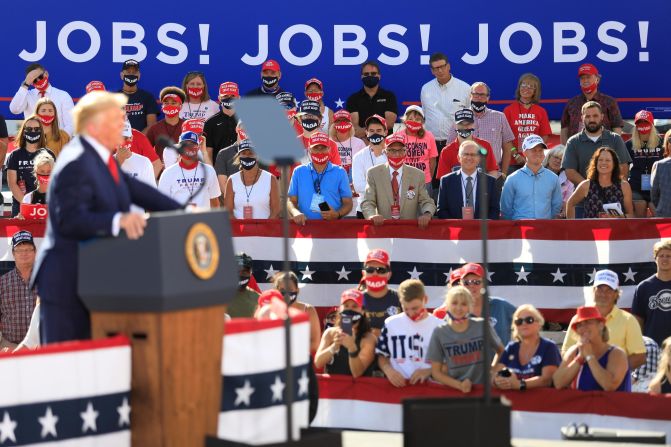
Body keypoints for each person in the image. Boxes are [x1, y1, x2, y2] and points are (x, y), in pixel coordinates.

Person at [32, 91, 182, 343]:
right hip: (67, 281)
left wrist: (183, 211)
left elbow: (136, 189)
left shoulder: (99, 159)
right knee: (64, 364)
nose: (124, 127)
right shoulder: (76, 161)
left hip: (91, 278)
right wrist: (117, 221)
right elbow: (70, 220)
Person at [562, 269, 646, 369]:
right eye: (600, 289)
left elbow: (639, 357)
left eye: (609, 290)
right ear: (593, 291)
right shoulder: (578, 318)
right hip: (582, 378)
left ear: (616, 294)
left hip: (614, 381)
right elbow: (566, 352)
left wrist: (612, 372)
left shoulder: (628, 320)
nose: (603, 294)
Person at [427, 286, 504, 392]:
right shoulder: (439, 332)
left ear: (470, 307)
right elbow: (436, 373)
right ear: (447, 305)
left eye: (463, 304)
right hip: (454, 392)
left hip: (484, 391)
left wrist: (493, 371)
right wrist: (459, 385)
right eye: (454, 303)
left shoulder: (482, 325)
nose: (459, 308)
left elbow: (502, 351)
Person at [376, 279, 442, 387]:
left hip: (429, 390)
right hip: (398, 388)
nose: (411, 313)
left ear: (425, 299)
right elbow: (382, 355)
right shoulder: (390, 323)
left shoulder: (440, 326)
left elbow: (449, 362)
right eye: (406, 309)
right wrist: (388, 370)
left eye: (415, 308)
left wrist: (429, 371)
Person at [361, 133, 436, 228]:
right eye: (392, 150)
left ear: (406, 152)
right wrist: (372, 215)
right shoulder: (373, 173)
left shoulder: (418, 175)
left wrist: (427, 214)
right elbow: (368, 201)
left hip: (409, 230)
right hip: (383, 229)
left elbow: (426, 201)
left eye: (401, 150)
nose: (397, 154)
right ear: (385, 152)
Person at [554, 306, 631, 392]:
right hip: (580, 405)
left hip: (611, 405)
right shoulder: (574, 351)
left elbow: (610, 385)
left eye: (588, 322)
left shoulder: (617, 354)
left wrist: (590, 356)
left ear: (601, 325)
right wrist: (580, 358)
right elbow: (558, 383)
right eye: (579, 325)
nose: (583, 328)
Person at [446, 82, 515, 177]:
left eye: (482, 95)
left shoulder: (499, 117)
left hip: (492, 173)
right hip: (465, 173)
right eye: (475, 94)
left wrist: (503, 173)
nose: (479, 97)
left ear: (488, 97)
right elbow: (450, 146)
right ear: (470, 96)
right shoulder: (459, 117)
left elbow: (507, 148)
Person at [420, 52, 470, 179]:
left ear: (449, 66)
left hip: (456, 144)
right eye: (436, 68)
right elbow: (425, 115)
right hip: (432, 144)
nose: (440, 70)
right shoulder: (426, 89)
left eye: (442, 66)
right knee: (433, 182)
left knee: (456, 180)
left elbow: (470, 119)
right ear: (432, 71)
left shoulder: (464, 88)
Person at [287, 132, 352, 224]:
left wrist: (337, 214)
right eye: (316, 148)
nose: (320, 151)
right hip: (306, 226)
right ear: (309, 150)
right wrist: (295, 213)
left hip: (333, 227)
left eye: (323, 148)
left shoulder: (340, 172)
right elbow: (291, 200)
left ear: (329, 149)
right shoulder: (299, 171)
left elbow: (348, 202)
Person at [562, 101, 631, 187]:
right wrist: (590, 188)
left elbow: (624, 167)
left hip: (611, 195)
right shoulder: (573, 142)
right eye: (587, 116)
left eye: (595, 116)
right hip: (584, 196)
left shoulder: (615, 139)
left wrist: (613, 189)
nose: (591, 120)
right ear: (582, 118)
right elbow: (570, 171)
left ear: (602, 116)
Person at [493, 305, 561, 390]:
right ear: (515, 327)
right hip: (513, 401)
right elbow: (495, 375)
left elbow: (547, 379)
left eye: (529, 320)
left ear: (539, 324)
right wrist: (498, 382)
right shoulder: (511, 347)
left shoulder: (549, 347)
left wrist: (520, 384)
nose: (524, 324)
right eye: (519, 321)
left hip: (541, 401)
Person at [314, 289, 377, 377]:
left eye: (354, 306)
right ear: (341, 309)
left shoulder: (369, 338)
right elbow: (318, 363)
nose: (349, 310)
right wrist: (334, 346)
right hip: (333, 388)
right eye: (346, 306)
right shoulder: (330, 333)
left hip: (358, 389)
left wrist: (352, 348)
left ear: (362, 311)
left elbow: (357, 373)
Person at [500, 134, 562, 220]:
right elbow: (505, 210)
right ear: (524, 153)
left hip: (544, 228)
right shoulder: (512, 179)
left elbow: (556, 206)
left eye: (540, 150)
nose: (538, 153)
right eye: (534, 150)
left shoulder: (553, 178)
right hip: (520, 229)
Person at [560, 63, 624, 145]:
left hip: (603, 152)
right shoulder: (571, 103)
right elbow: (564, 129)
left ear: (597, 79)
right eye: (582, 78)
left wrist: (613, 149)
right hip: (577, 152)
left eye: (588, 77)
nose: (585, 80)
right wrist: (565, 150)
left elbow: (617, 127)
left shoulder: (609, 102)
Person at [436, 140, 499, 219]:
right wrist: (458, 225)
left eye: (473, 155)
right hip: (456, 229)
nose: (469, 158)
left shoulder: (490, 182)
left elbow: (495, 210)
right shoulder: (446, 181)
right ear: (459, 158)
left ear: (479, 158)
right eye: (465, 154)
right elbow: (441, 210)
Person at [503, 73, 552, 174]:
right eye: (523, 85)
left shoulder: (541, 111)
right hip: (512, 162)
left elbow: (544, 136)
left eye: (531, 87)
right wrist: (516, 155)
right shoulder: (508, 110)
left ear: (535, 91)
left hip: (533, 162)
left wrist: (533, 154)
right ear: (519, 87)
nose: (526, 88)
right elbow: (506, 139)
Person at [6, 117, 56, 216]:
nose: (33, 131)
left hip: (45, 205)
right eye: (29, 129)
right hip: (21, 205)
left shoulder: (49, 154)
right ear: (23, 131)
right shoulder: (15, 155)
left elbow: (55, 181)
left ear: (41, 132)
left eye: (36, 129)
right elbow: (12, 184)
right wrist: (27, 205)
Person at [566, 147, 634, 219]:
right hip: (590, 229)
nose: (603, 163)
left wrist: (621, 217)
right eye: (600, 160)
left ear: (614, 164)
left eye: (607, 160)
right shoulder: (586, 185)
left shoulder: (624, 186)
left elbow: (631, 215)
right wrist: (572, 227)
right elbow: (570, 203)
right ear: (595, 163)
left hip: (616, 229)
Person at [158, 131, 221, 208]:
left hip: (203, 219)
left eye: (192, 144)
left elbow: (214, 202)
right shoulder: (168, 173)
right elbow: (162, 203)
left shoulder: (209, 170)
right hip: (179, 218)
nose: (189, 147)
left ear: (198, 147)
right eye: (185, 144)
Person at [458, 262, 516, 345]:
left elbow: (526, 324)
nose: (471, 286)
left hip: (501, 357)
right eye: (466, 283)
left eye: (476, 282)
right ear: (460, 285)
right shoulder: (455, 312)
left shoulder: (501, 306)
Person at [9, 63, 74, 135]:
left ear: (46, 74)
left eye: (40, 76)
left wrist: (60, 140)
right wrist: (25, 84)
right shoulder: (27, 96)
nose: (38, 80)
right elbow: (14, 109)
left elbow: (71, 124)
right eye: (34, 80)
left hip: (57, 142)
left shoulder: (63, 96)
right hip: (33, 142)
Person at [0, 231, 38, 350]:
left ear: (35, 252)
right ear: (13, 254)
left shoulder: (46, 280)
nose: (24, 253)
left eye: (28, 249)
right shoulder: (2, 282)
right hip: (9, 346)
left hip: (39, 347)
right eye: (20, 250)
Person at [435, 109, 499, 179]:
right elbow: (443, 179)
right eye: (461, 124)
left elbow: (492, 171)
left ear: (473, 125)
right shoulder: (446, 151)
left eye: (468, 124)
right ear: (455, 126)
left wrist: (488, 188)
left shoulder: (485, 146)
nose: (465, 127)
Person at [224, 139, 280, 219]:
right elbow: (228, 212)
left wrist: (264, 229)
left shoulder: (270, 179)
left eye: (251, 153)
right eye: (243, 153)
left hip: (264, 230)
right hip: (239, 230)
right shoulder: (232, 180)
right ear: (239, 156)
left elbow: (275, 211)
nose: (247, 156)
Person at [632, 240, 671, 346]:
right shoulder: (644, 287)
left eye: (668, 256)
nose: (665, 259)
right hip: (652, 347)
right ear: (655, 259)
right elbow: (638, 321)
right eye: (661, 255)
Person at [346, 60, 398, 139]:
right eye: (366, 74)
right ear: (361, 77)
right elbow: (354, 129)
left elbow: (390, 124)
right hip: (362, 145)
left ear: (379, 76)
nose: (370, 76)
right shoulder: (353, 99)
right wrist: (377, 131)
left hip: (386, 146)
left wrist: (369, 132)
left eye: (373, 74)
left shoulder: (389, 96)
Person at [626, 110, 664, 217]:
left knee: (659, 214)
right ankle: (638, 234)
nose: (643, 125)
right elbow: (624, 169)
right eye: (640, 122)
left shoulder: (661, 143)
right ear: (635, 125)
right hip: (636, 187)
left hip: (657, 188)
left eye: (646, 122)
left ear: (651, 124)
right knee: (640, 205)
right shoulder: (629, 144)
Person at [273, 271, 321, 353]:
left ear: (297, 290)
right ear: (276, 291)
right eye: (282, 290)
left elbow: (315, 343)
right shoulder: (271, 311)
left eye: (290, 289)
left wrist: (293, 352)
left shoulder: (308, 310)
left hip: (302, 361)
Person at [351, 115, 388, 217]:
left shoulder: (393, 154)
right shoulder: (359, 156)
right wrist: (383, 189)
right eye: (371, 131)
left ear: (386, 132)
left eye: (379, 130)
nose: (375, 133)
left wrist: (379, 155)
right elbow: (358, 186)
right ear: (366, 133)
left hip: (389, 208)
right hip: (365, 209)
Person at [398, 105, 438, 194]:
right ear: (405, 120)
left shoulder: (429, 136)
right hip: (404, 182)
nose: (413, 122)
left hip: (424, 182)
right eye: (410, 119)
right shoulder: (398, 137)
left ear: (422, 121)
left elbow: (433, 161)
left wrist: (428, 179)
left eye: (417, 119)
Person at [361, 249, 401, 336]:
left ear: (389, 274)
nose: (375, 273)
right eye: (370, 270)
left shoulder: (401, 298)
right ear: (363, 273)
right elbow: (346, 332)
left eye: (381, 270)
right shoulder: (354, 299)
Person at [146, 86, 186, 161]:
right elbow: (146, 152)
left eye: (173, 103)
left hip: (184, 170)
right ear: (162, 106)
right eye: (166, 103)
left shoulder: (187, 127)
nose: (169, 105)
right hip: (161, 171)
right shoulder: (154, 128)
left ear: (180, 106)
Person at [118, 59, 159, 133]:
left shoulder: (147, 97)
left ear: (139, 75)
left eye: (134, 72)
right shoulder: (113, 98)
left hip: (141, 142)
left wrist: (137, 140)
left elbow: (152, 125)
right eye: (128, 72)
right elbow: (108, 124)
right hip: (118, 142)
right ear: (121, 75)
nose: (131, 74)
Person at [204, 82, 239, 164]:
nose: (229, 98)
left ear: (238, 98)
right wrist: (211, 172)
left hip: (242, 170)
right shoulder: (210, 122)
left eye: (233, 96)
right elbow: (208, 152)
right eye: (225, 96)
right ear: (219, 98)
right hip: (219, 171)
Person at [298, 100, 341, 165]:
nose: (310, 118)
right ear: (300, 119)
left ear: (320, 119)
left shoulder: (331, 144)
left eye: (313, 115)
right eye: (306, 115)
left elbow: (337, 173)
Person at [329, 109, 366, 180]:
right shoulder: (328, 142)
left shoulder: (359, 143)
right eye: (338, 121)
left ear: (350, 123)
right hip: (333, 176)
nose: (342, 123)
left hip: (354, 177)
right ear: (333, 124)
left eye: (345, 120)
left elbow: (364, 164)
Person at [116, 121, 156, 188]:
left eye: (125, 138)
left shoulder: (144, 162)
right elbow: (104, 190)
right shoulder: (106, 162)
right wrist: (118, 162)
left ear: (131, 138)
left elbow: (151, 192)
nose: (122, 142)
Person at [542, 145, 574, 217]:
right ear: (549, 157)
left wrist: (563, 212)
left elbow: (568, 200)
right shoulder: (538, 173)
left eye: (561, 159)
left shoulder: (568, 178)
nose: (558, 161)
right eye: (556, 157)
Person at [226, 252, 260, 318]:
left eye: (244, 272)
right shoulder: (217, 298)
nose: (240, 274)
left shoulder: (258, 298)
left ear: (250, 273)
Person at [651, 130, 671, 217]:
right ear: (667, 143)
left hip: (663, 215)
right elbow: (654, 195)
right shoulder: (659, 165)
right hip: (664, 217)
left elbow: (654, 197)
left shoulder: (659, 165)